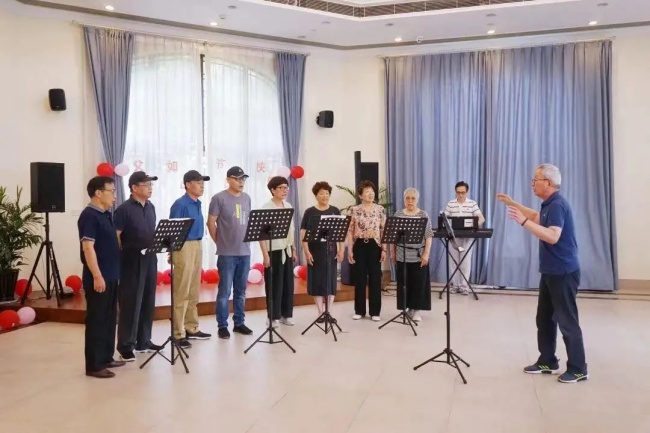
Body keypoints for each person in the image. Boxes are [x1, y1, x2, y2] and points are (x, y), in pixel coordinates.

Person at [497, 163, 588, 384]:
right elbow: (537, 217)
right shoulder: (548, 204)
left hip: (563, 272)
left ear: (548, 182)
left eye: (535, 179)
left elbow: (553, 236)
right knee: (544, 318)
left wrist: (522, 222)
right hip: (550, 272)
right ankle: (548, 361)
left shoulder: (558, 205)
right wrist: (513, 203)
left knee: (567, 320)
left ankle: (578, 369)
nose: (532, 183)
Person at [77, 176, 124, 378]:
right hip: (98, 277)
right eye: (111, 191)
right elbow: (88, 248)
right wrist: (97, 275)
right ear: (98, 193)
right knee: (97, 320)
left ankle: (106, 357)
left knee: (109, 318)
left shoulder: (105, 214)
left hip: (112, 275)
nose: (114, 196)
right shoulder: (89, 216)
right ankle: (94, 365)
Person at [113, 171, 163, 362]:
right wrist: (121, 255)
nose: (150, 188)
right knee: (131, 301)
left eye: (151, 185)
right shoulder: (123, 209)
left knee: (148, 298)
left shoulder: (150, 207)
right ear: (134, 187)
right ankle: (126, 345)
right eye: (146, 185)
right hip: (131, 259)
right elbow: (116, 235)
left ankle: (144, 340)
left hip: (150, 257)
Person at [207, 166, 254, 340]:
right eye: (237, 178)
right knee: (224, 292)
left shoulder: (247, 198)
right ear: (228, 180)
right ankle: (222, 325)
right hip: (227, 254)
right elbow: (210, 222)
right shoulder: (218, 198)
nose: (241, 182)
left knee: (241, 291)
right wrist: (219, 242)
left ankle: (239, 323)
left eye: (243, 179)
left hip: (245, 252)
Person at [169, 170, 213, 349]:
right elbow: (173, 229)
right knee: (182, 290)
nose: (202, 186)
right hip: (184, 246)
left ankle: (191, 327)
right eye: (198, 182)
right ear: (187, 185)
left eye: (203, 183)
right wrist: (173, 252)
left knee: (194, 289)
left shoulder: (198, 203)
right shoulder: (180, 204)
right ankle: (177, 333)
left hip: (197, 244)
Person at [300, 181, 345, 322]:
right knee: (317, 281)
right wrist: (306, 251)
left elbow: (340, 233)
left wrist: (341, 249)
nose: (325, 196)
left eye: (327, 193)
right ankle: (320, 312)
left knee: (331, 281)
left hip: (331, 251)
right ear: (316, 196)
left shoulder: (335, 211)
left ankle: (329, 312)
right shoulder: (310, 212)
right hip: (315, 251)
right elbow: (303, 233)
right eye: (321, 193)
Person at [391, 188, 433, 322]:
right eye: (407, 198)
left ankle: (416, 310)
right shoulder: (398, 214)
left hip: (418, 255)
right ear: (404, 200)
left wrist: (426, 254)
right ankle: (406, 308)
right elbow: (393, 236)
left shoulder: (423, 215)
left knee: (418, 284)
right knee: (404, 283)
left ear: (417, 200)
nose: (410, 201)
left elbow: (429, 236)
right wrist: (392, 252)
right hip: (401, 254)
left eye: (413, 198)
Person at [260, 176, 297, 327]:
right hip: (273, 251)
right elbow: (261, 235)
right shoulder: (266, 208)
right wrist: (265, 255)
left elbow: (291, 230)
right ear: (273, 190)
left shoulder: (288, 206)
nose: (284, 190)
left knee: (288, 284)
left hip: (287, 250)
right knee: (274, 285)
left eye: (286, 188)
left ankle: (286, 315)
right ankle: (272, 317)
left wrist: (293, 249)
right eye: (281, 188)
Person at [347, 180, 386, 321]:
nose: (371, 193)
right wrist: (350, 249)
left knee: (375, 278)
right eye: (367, 191)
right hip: (359, 245)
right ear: (360, 195)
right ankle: (359, 310)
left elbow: (383, 230)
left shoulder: (380, 209)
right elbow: (350, 230)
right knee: (360, 278)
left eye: (372, 191)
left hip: (375, 245)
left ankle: (375, 312)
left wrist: (384, 249)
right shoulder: (354, 210)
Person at [444, 181, 485, 295]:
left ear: (467, 192)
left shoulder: (472, 203)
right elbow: (445, 219)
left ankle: (464, 286)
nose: (460, 195)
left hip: (467, 237)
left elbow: (481, 218)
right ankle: (455, 285)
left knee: (465, 262)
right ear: (455, 192)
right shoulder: (450, 204)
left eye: (463, 192)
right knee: (453, 261)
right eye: (458, 192)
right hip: (453, 237)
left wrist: (474, 226)